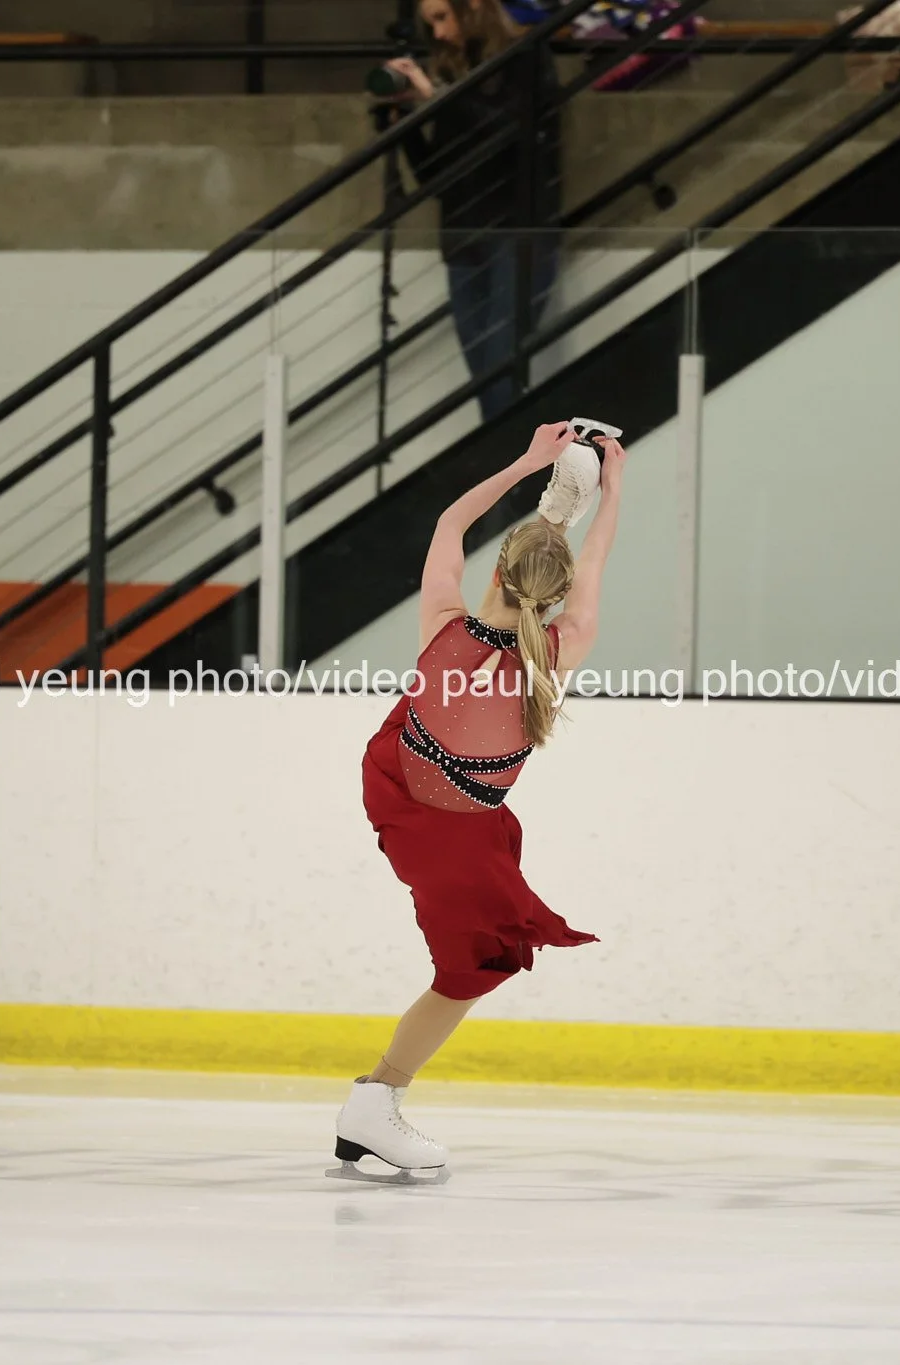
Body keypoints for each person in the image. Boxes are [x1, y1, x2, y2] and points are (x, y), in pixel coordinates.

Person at [333, 420, 626, 1183]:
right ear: (556, 599)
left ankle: (549, 514)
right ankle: (375, 1100)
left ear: (498, 573)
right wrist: (613, 494)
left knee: (483, 950)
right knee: (474, 966)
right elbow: (594, 568)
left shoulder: (441, 626)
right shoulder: (561, 648)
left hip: (396, 777)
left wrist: (526, 463)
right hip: (450, 830)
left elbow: (448, 524)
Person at [379, 0, 563, 423]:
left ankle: (506, 464)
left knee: (499, 371)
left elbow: (513, 134)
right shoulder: (451, 72)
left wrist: (440, 98)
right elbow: (435, 176)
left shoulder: (525, 55)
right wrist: (404, 125)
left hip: (518, 232)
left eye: (442, 18)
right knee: (485, 379)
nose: (439, 34)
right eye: (430, 25)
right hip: (463, 237)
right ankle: (508, 462)